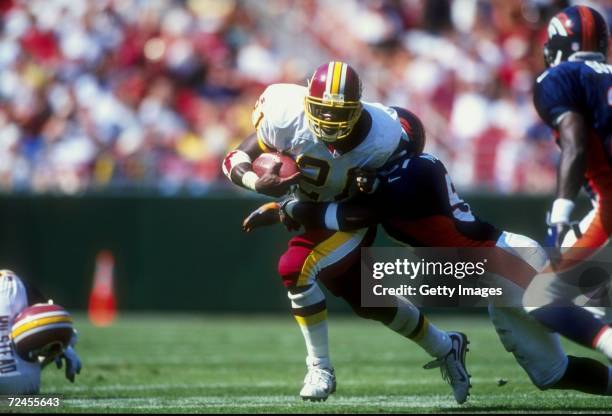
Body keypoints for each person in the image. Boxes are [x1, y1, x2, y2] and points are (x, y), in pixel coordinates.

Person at [244, 114, 612, 396]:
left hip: (503, 258)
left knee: (559, 307)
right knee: (550, 375)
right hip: (486, 280)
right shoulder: (386, 176)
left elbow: (358, 213)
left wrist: (285, 210)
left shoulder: (419, 171)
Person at [222, 62, 469, 402]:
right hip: (312, 207)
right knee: (367, 299)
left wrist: (288, 210)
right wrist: (255, 181)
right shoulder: (284, 111)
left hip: (346, 212)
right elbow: (235, 157)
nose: (329, 120)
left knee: (296, 267)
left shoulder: (383, 136)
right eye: (322, 109)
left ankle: (319, 367)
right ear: (308, 101)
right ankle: (446, 345)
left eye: (339, 112)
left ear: (358, 108)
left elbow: (368, 212)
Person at [526, 4, 612, 354]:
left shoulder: (558, 77)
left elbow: (575, 143)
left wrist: (559, 213)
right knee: (593, 291)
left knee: (539, 298)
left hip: (608, 203)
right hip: (601, 203)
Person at [0, 269, 82, 394]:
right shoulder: (16, 286)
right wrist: (65, 345)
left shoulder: (14, 286)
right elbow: (53, 319)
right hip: (23, 383)